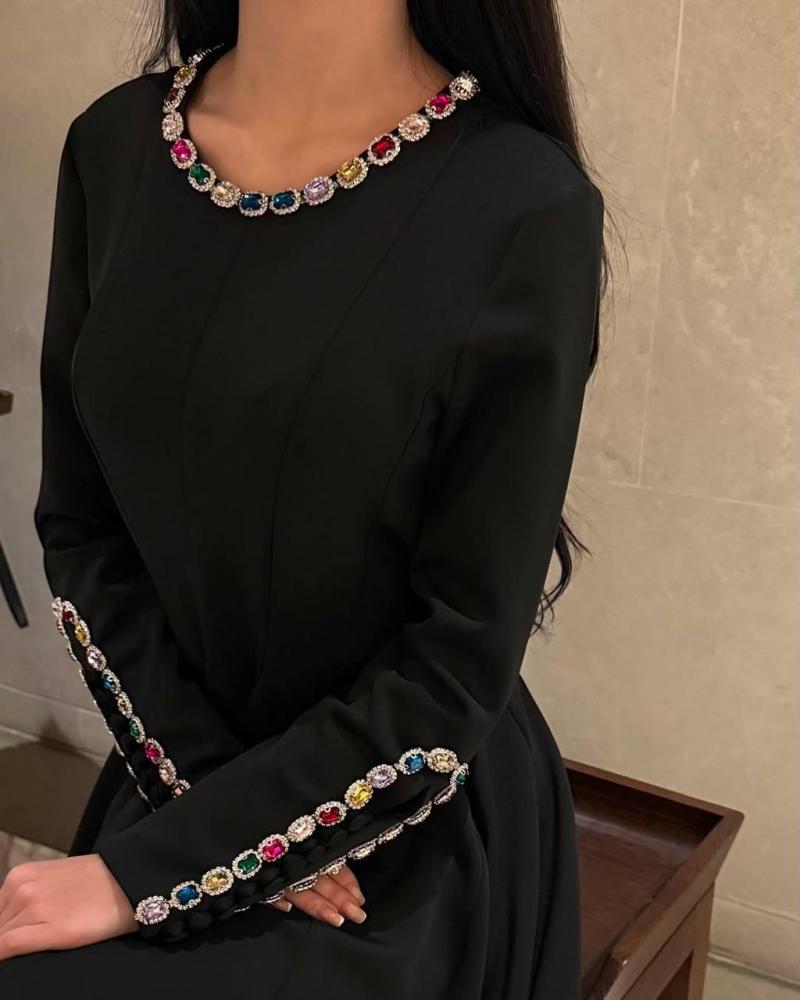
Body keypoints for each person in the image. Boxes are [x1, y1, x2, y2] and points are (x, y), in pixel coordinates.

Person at [0, 1, 609, 996]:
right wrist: (205, 819)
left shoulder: (522, 203)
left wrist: (165, 865)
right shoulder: (110, 147)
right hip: (176, 764)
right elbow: (81, 529)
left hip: (400, 824)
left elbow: (456, 659)